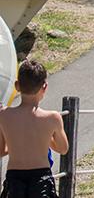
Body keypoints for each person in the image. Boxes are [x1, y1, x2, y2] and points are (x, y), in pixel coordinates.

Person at [0, 59, 69, 198]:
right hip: (41, 179)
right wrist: (45, 138)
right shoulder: (52, 118)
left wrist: (15, 144)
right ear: (44, 87)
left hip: (14, 179)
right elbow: (63, 149)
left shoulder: (4, 115)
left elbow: (1, 150)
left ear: (17, 85)